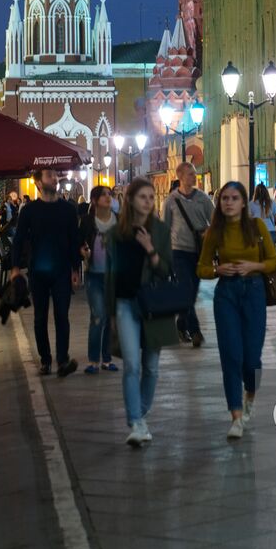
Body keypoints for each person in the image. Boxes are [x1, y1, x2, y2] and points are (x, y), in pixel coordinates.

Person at [197, 182, 276, 441]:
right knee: (231, 356)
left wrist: (253, 266)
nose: (229, 202)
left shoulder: (256, 227)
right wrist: (217, 270)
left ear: (244, 202)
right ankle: (235, 415)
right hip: (226, 295)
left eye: (234, 198)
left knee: (252, 358)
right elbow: (201, 268)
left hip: (254, 292)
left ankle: (250, 395)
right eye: (224, 198)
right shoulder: (214, 233)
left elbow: (275, 261)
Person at [105, 178, 177, 446]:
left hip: (153, 306)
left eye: (150, 197)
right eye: (143, 197)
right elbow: (110, 275)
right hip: (125, 303)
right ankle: (135, 421)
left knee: (152, 367)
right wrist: (109, 312)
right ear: (131, 199)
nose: (148, 201)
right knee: (132, 365)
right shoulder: (116, 234)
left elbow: (167, 270)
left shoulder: (159, 230)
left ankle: (141, 413)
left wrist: (151, 251)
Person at [8, 168, 83, 377]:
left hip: (61, 271)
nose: (54, 178)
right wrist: (15, 267)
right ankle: (45, 360)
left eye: (55, 175)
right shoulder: (30, 210)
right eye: (49, 175)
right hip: (38, 272)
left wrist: (75, 268)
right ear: (39, 183)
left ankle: (62, 360)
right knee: (40, 317)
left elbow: (73, 239)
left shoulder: (68, 209)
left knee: (62, 316)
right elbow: (19, 239)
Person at [162, 161, 214, 349]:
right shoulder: (170, 201)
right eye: (191, 174)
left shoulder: (203, 198)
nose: (195, 177)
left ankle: (181, 324)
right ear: (181, 177)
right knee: (186, 288)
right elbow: (165, 228)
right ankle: (195, 331)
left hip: (199, 252)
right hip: (178, 252)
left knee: (191, 294)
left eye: (194, 174)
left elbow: (214, 220)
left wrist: (209, 231)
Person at [79, 185, 118, 375]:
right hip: (94, 275)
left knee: (110, 317)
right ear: (94, 201)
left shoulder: (118, 220)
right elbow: (78, 243)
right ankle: (94, 360)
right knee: (98, 316)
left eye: (109, 195)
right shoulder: (87, 221)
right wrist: (82, 251)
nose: (108, 198)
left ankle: (107, 358)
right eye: (103, 195)